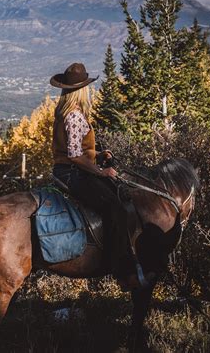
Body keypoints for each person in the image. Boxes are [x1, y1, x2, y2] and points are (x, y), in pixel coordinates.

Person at [50, 62, 136, 288]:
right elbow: (75, 156)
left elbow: (73, 148)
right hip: (72, 173)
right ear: (82, 90)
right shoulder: (75, 116)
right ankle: (120, 268)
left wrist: (97, 153)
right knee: (115, 208)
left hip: (64, 170)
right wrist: (102, 171)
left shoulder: (63, 112)